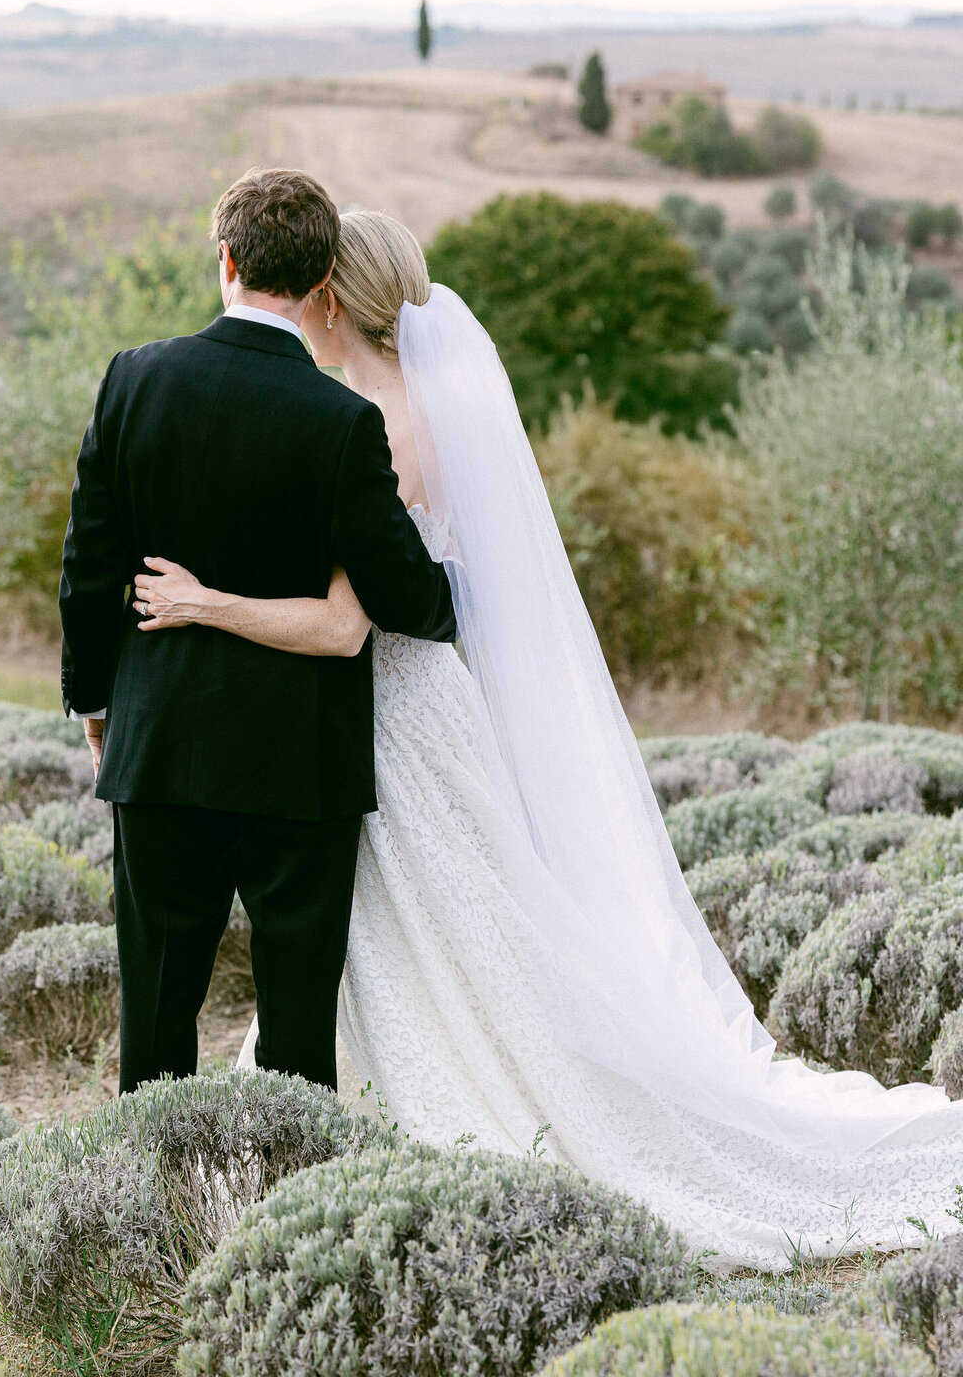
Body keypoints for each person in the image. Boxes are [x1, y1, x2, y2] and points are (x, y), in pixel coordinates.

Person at [132, 208, 963, 1269]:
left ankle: (415, 1127)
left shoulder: (369, 424)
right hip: (398, 704)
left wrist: (207, 602)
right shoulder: (390, 404)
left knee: (442, 929)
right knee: (408, 930)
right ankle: (339, 1126)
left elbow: (348, 620)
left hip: (390, 718)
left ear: (331, 298)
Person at [59, 171, 455, 1097]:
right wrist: (460, 589)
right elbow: (407, 600)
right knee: (297, 1033)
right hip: (299, 766)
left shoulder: (134, 379)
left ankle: (149, 1212)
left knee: (155, 1017)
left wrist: (93, 697)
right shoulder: (344, 422)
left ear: (226, 261)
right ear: (322, 281)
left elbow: (86, 564)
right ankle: (283, 1219)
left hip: (158, 743)